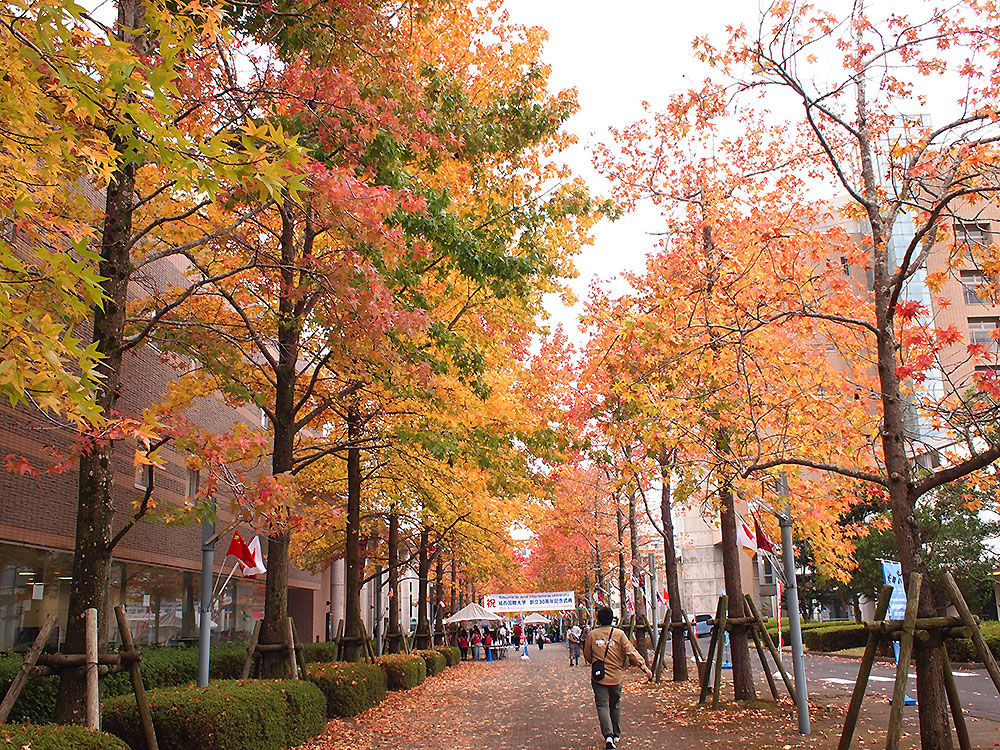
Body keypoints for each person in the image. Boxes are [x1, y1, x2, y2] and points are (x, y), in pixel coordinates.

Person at [584, 606, 652, 750]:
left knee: (602, 706)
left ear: (598, 619)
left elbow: (587, 655)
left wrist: (595, 663)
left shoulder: (592, 635)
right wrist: (644, 667)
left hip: (599, 677)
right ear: (612, 618)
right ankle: (616, 733)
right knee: (615, 705)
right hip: (616, 676)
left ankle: (608, 736)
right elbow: (631, 651)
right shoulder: (619, 634)